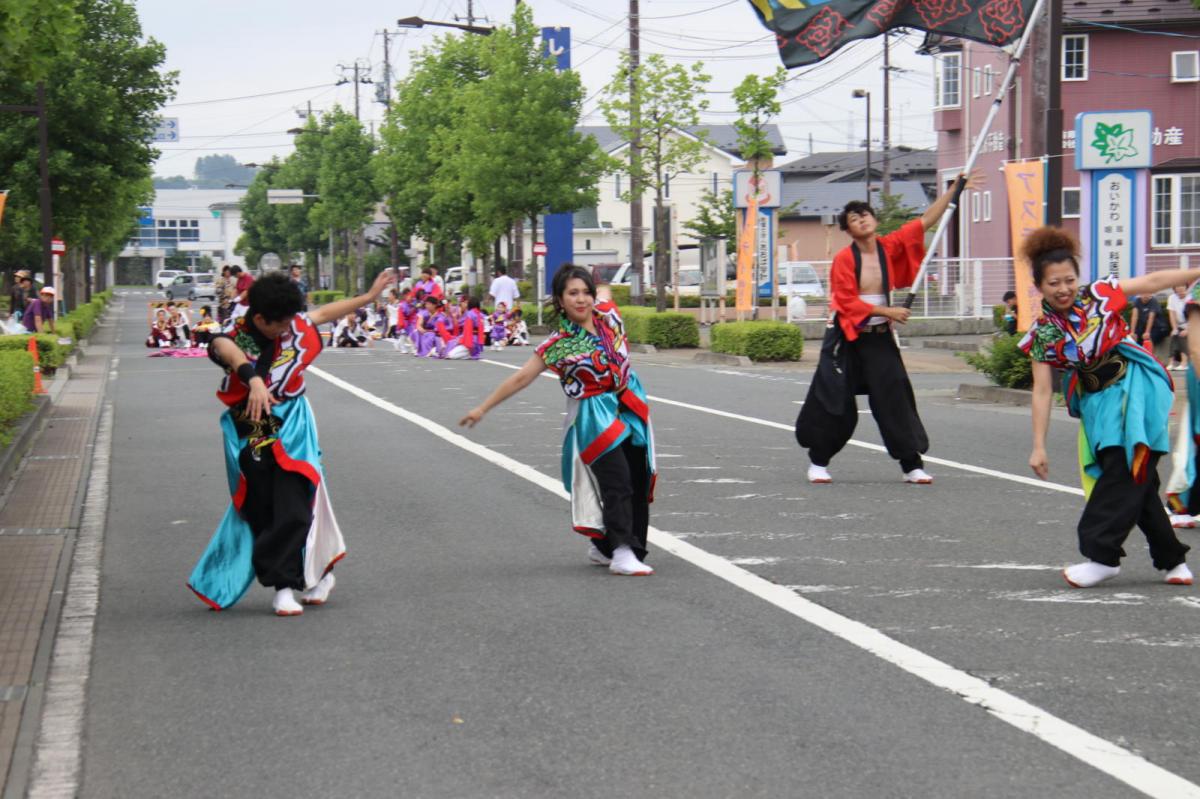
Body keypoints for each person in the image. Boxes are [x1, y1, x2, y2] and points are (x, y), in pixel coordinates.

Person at [187, 268, 397, 615]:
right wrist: (253, 379)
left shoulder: (292, 325)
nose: (288, 329)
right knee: (262, 505)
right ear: (259, 318)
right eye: (279, 324)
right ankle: (317, 573)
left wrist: (370, 297)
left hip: (294, 421)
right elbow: (224, 348)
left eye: (290, 322)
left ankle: (284, 586)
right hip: (254, 425)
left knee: (296, 501)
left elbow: (325, 313)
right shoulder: (237, 334)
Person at [1021, 227, 1196, 588]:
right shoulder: (1043, 333)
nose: (1064, 288)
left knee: (1125, 464)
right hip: (1097, 401)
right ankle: (1172, 560)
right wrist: (1038, 445)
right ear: (1040, 285)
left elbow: (1153, 280)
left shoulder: (1099, 295)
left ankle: (1101, 555)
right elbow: (1041, 390)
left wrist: (1197, 271)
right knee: (1138, 476)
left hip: (1134, 388)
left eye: (1069, 279)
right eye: (1054, 283)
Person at [461, 264, 657, 576]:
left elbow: (604, 291)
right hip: (593, 417)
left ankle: (605, 545)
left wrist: (599, 279)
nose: (581, 299)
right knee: (616, 479)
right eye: (572, 294)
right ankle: (622, 551)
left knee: (636, 476)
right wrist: (482, 408)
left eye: (585, 292)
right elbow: (522, 378)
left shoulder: (609, 317)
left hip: (628, 406)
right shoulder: (559, 343)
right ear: (560, 300)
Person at [795, 173, 984, 485]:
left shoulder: (890, 246)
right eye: (854, 218)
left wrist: (954, 189)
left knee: (895, 398)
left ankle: (912, 465)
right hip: (847, 340)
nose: (862, 220)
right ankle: (818, 462)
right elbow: (845, 301)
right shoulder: (844, 260)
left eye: (865, 214)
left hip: (879, 339)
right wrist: (888, 310)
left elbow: (926, 220)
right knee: (835, 402)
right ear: (848, 230)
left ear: (874, 220)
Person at [1167, 283, 1190, 371]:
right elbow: (1172, 314)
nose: (1180, 290)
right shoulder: (1172, 298)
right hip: (1180, 325)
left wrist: (1188, 329)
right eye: (1178, 288)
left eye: (1182, 287)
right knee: (1175, 334)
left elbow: (1195, 316)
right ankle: (1171, 362)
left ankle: (1184, 363)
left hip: (1192, 325)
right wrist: (1174, 328)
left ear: (1186, 287)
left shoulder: (1191, 298)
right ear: (1175, 289)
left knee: (1182, 335)